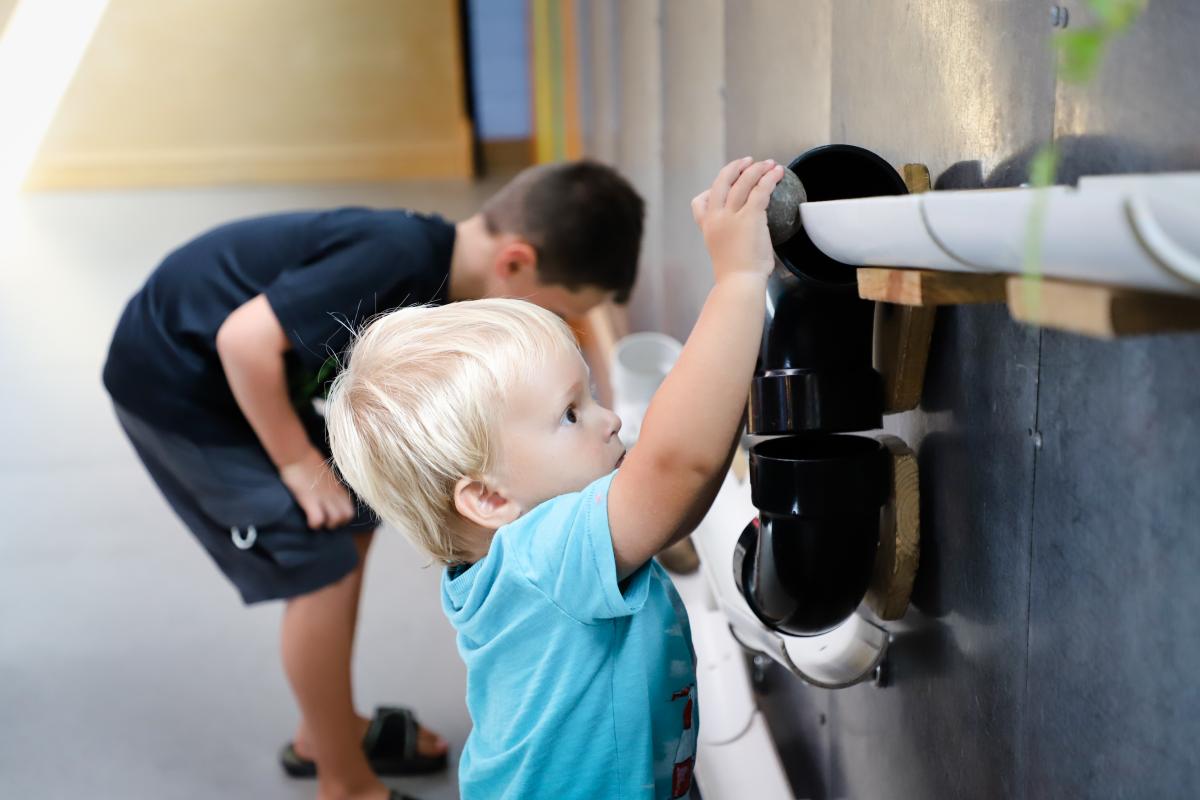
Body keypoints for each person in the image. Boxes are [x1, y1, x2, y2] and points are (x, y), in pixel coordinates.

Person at [102, 161, 644, 800]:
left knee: (355, 515)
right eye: (562, 311)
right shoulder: (397, 258)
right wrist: (297, 465)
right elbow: (244, 341)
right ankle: (343, 779)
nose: (559, 325)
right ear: (515, 263)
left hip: (247, 379)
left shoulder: (441, 275)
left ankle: (326, 727)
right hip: (181, 382)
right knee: (322, 562)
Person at [325, 157, 783, 799]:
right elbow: (679, 467)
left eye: (590, 396)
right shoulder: (543, 558)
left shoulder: (510, 555)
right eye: (571, 413)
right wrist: (738, 279)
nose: (610, 420)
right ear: (489, 497)